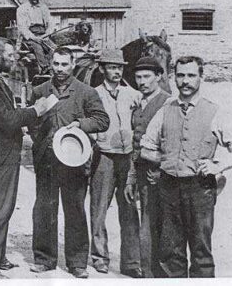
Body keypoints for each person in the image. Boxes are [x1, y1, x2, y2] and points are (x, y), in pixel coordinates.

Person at [140, 56, 232, 278]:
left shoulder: (215, 111)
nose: (185, 81)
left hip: (200, 190)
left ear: (201, 78)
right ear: (173, 77)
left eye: (191, 75)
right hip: (168, 188)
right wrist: (167, 159)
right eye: (180, 75)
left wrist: (219, 166)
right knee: (170, 253)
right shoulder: (165, 110)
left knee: (201, 252)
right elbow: (145, 148)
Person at [0, 37, 54, 279]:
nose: (14, 59)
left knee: (0, 208)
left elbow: (1, 117)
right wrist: (37, 110)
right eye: (10, 55)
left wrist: (21, 120)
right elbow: (7, 119)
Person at [29, 47, 109, 279]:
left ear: (72, 64)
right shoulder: (40, 90)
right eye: (56, 64)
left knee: (74, 210)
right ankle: (44, 259)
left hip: (74, 160)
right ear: (51, 64)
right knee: (44, 208)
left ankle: (77, 263)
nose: (60, 69)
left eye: (65, 64)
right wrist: (40, 141)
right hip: (46, 160)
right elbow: (32, 120)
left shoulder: (86, 92)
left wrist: (81, 125)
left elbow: (102, 120)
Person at [90, 49, 143, 278]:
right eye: (112, 67)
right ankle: (100, 257)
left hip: (127, 157)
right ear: (102, 69)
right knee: (99, 208)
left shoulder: (132, 94)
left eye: (119, 67)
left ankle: (131, 262)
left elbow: (139, 122)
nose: (116, 71)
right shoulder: (93, 94)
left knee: (129, 209)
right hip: (104, 156)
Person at [123, 56, 170, 278]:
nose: (142, 82)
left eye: (147, 77)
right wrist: (131, 178)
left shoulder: (168, 103)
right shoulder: (138, 104)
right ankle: (148, 272)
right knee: (147, 225)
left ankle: (157, 274)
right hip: (141, 173)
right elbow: (135, 144)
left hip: (160, 175)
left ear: (159, 76)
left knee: (158, 226)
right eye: (138, 77)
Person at [16, 0, 53, 71]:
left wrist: (46, 35)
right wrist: (34, 38)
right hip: (29, 38)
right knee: (38, 48)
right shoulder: (22, 8)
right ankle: (45, 68)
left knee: (54, 49)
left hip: (43, 36)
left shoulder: (44, 8)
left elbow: (50, 24)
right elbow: (23, 28)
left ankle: (52, 66)